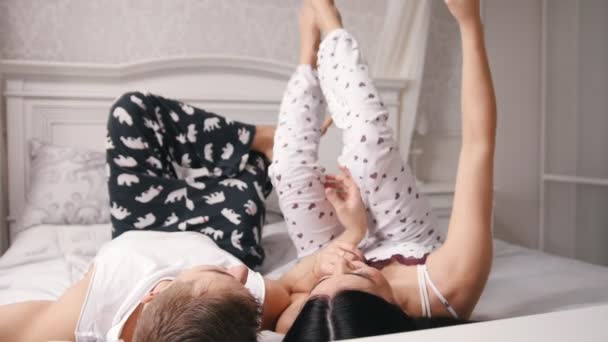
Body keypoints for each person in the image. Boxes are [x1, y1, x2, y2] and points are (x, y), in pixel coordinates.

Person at [271, 0, 497, 339]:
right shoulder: (448, 285)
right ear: (394, 310)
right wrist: (469, 23)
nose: (350, 262)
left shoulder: (300, 323)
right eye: (360, 275)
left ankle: (308, 55)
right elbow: (478, 145)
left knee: (289, 173)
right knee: (367, 144)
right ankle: (330, 21)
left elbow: (283, 286)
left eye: (322, 288)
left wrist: (339, 250)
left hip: (330, 243)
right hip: (405, 239)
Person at [0, 91, 306, 341]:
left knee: (130, 111)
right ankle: (265, 150)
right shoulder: (234, 301)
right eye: (231, 276)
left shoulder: (86, 312)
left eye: (225, 275)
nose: (238, 274)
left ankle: (255, 139)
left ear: (154, 292)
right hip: (223, 239)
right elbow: (295, 287)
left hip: (145, 221)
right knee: (250, 183)